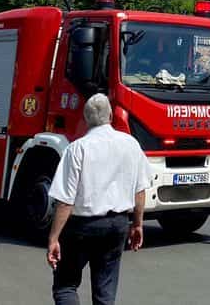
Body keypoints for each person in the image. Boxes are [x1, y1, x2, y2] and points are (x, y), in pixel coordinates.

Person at [47, 93, 154, 305]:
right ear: (111, 116)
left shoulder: (77, 148)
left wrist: (53, 238)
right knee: (105, 290)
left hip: (82, 227)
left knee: (65, 285)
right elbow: (140, 190)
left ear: (86, 119)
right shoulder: (131, 144)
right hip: (117, 225)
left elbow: (66, 200)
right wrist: (138, 224)